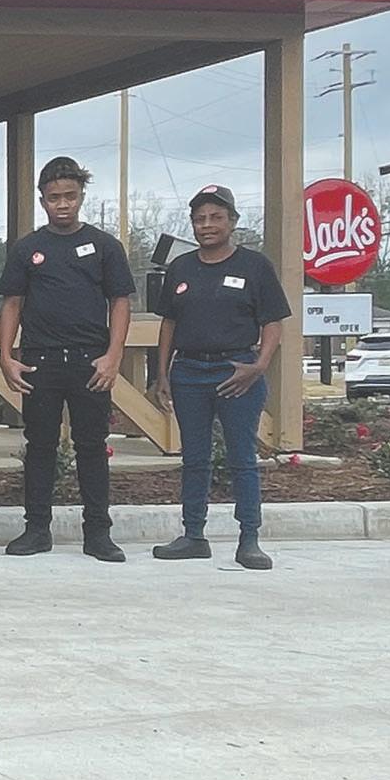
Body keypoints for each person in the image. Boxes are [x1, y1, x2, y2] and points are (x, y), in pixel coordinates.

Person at [0, 156, 134, 563]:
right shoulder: (28, 248)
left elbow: (120, 302)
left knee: (92, 446)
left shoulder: (105, 246)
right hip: (39, 360)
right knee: (39, 446)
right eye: (54, 197)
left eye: (70, 196)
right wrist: (5, 356)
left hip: (91, 361)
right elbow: (12, 303)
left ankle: (98, 532)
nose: (62, 204)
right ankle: (37, 529)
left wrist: (113, 356)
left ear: (81, 196)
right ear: (42, 200)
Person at [152, 184, 289, 571]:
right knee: (194, 458)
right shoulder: (181, 268)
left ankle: (249, 539)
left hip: (237, 371)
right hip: (189, 372)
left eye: (216, 217)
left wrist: (259, 366)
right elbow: (168, 323)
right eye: (199, 219)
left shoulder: (254, 266)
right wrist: (161, 373)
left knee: (242, 458)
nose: (207, 225)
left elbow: (273, 321)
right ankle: (193, 535)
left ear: (232, 221)